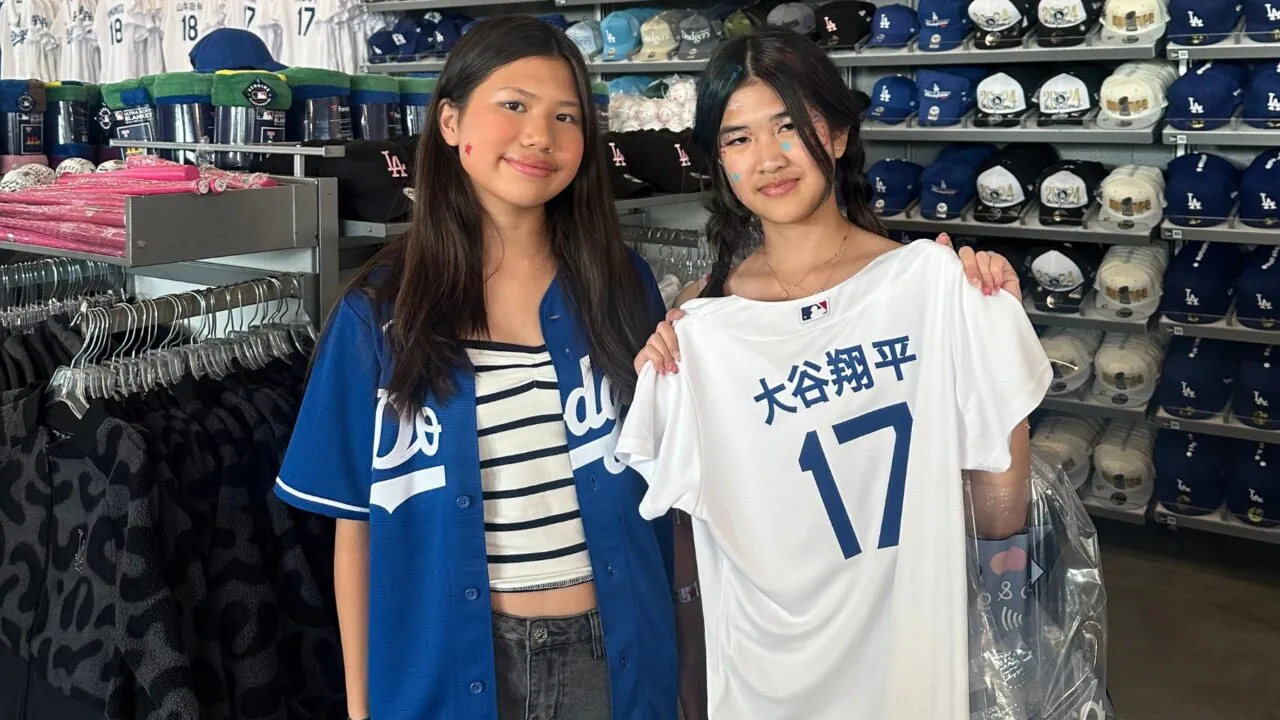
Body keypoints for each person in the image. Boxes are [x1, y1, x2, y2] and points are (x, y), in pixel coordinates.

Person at [271, 16, 1022, 720]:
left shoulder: (623, 286)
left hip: (620, 652)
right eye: (513, 105)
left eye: (566, 116)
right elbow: (355, 530)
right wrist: (362, 706)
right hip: (450, 668)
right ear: (451, 122)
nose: (539, 135)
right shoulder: (378, 311)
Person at [617, 28, 1051, 720]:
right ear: (718, 162)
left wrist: (1003, 618)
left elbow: (1001, 500)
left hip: (910, 654)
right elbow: (681, 526)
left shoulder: (937, 285)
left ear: (841, 135)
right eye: (738, 138)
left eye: (791, 126)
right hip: (763, 671)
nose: (769, 158)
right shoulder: (701, 324)